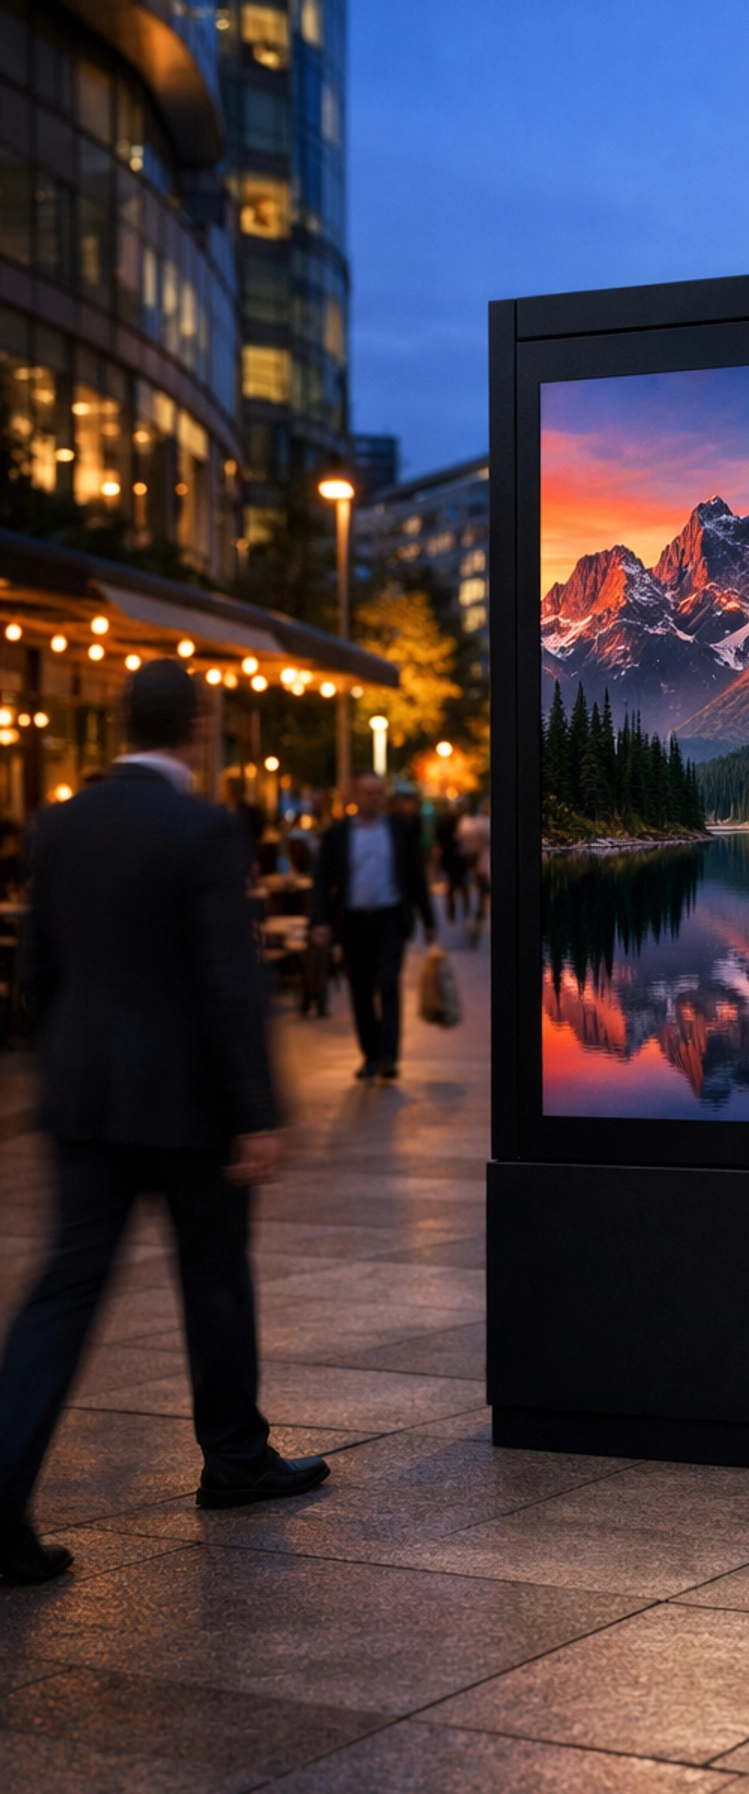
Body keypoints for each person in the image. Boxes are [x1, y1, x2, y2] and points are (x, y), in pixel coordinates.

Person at [0, 660, 328, 1587]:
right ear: (198, 727)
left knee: (62, 1295)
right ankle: (235, 1460)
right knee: (215, 1277)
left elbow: (36, 975)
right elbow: (230, 980)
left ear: (122, 725)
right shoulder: (204, 827)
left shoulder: (59, 825)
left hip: (87, 1100)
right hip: (190, 1103)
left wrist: (67, 1068)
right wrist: (256, 1114)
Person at [311, 768, 437, 1081]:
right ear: (354, 795)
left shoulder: (400, 828)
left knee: (390, 984)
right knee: (361, 989)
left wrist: (429, 920)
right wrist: (320, 921)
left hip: (390, 919)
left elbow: (415, 875)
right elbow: (322, 880)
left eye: (379, 793)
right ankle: (370, 1054)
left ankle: (388, 1058)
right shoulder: (337, 834)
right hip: (353, 923)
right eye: (367, 793)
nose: (374, 798)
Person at [456, 797, 491, 948]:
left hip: (482, 860)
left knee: (483, 891)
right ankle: (481, 914)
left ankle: (480, 914)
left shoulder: (477, 823)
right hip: (483, 861)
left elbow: (468, 843)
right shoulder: (480, 823)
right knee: (483, 890)